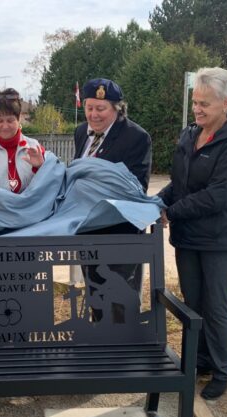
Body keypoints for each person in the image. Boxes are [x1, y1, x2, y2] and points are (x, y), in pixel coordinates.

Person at [158, 67, 227, 400]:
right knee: (193, 304)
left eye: (206, 104)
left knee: (215, 306)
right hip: (189, 238)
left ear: (226, 103)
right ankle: (197, 361)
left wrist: (173, 211)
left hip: (220, 239)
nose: (198, 109)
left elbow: (220, 194)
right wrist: (158, 201)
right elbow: (180, 184)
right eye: (196, 102)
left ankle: (222, 369)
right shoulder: (189, 136)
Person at [73, 78, 152, 322]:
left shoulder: (136, 137)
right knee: (95, 295)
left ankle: (124, 355)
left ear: (117, 108)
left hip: (120, 233)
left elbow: (134, 187)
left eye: (101, 108)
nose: (93, 115)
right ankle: (100, 348)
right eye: (89, 107)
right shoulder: (81, 133)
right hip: (88, 232)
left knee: (120, 302)